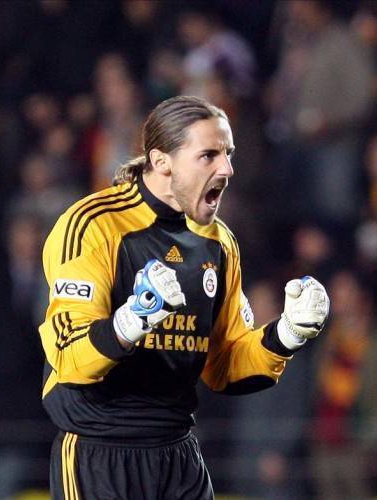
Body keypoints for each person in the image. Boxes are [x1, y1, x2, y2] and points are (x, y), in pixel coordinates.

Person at [38, 95, 330, 499]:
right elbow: (68, 357)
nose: (226, 169)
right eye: (208, 155)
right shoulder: (92, 226)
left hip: (178, 454)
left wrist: (286, 334)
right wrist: (132, 320)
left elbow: (223, 367)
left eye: (228, 154)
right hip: (99, 451)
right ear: (162, 161)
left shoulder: (219, 243)